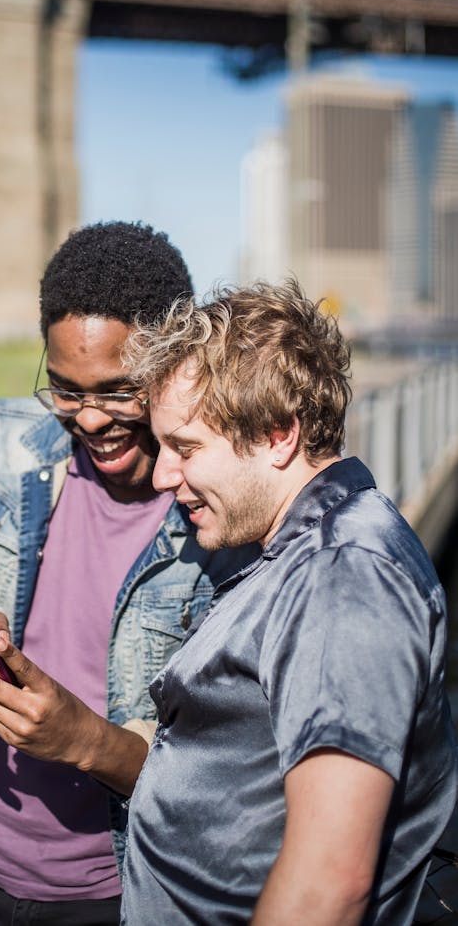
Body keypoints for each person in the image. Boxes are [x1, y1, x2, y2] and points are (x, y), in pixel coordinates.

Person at [0, 221, 230, 925]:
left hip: (121, 897)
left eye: (117, 391)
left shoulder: (223, 508)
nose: (90, 418)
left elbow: (229, 773)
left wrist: (84, 739)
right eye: (67, 390)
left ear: (174, 364)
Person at [109, 279, 458, 925]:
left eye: (184, 447)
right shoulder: (298, 549)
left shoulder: (343, 575)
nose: (161, 475)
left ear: (278, 435)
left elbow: (330, 883)